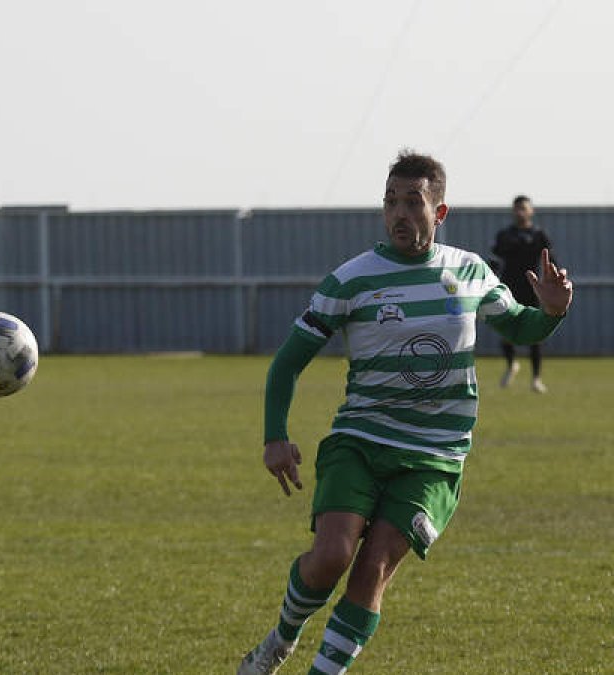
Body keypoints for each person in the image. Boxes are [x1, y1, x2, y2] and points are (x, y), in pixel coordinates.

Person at [236, 151, 572, 674]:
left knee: (371, 572)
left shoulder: (469, 270)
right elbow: (287, 362)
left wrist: (550, 312)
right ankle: (278, 642)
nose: (399, 213)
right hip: (360, 442)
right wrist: (274, 435)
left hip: (434, 459)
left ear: (439, 213)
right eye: (390, 202)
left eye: (413, 202)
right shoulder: (351, 280)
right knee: (331, 558)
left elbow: (521, 327)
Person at [491, 195, 556, 392]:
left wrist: (555, 279)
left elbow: (550, 261)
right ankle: (511, 365)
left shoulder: (539, 235)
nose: (520, 212)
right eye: (517, 208)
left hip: (532, 289)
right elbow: (494, 261)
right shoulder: (504, 235)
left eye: (524, 208)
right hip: (509, 288)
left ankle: (536, 379)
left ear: (531, 211)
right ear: (513, 211)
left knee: (535, 333)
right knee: (506, 330)